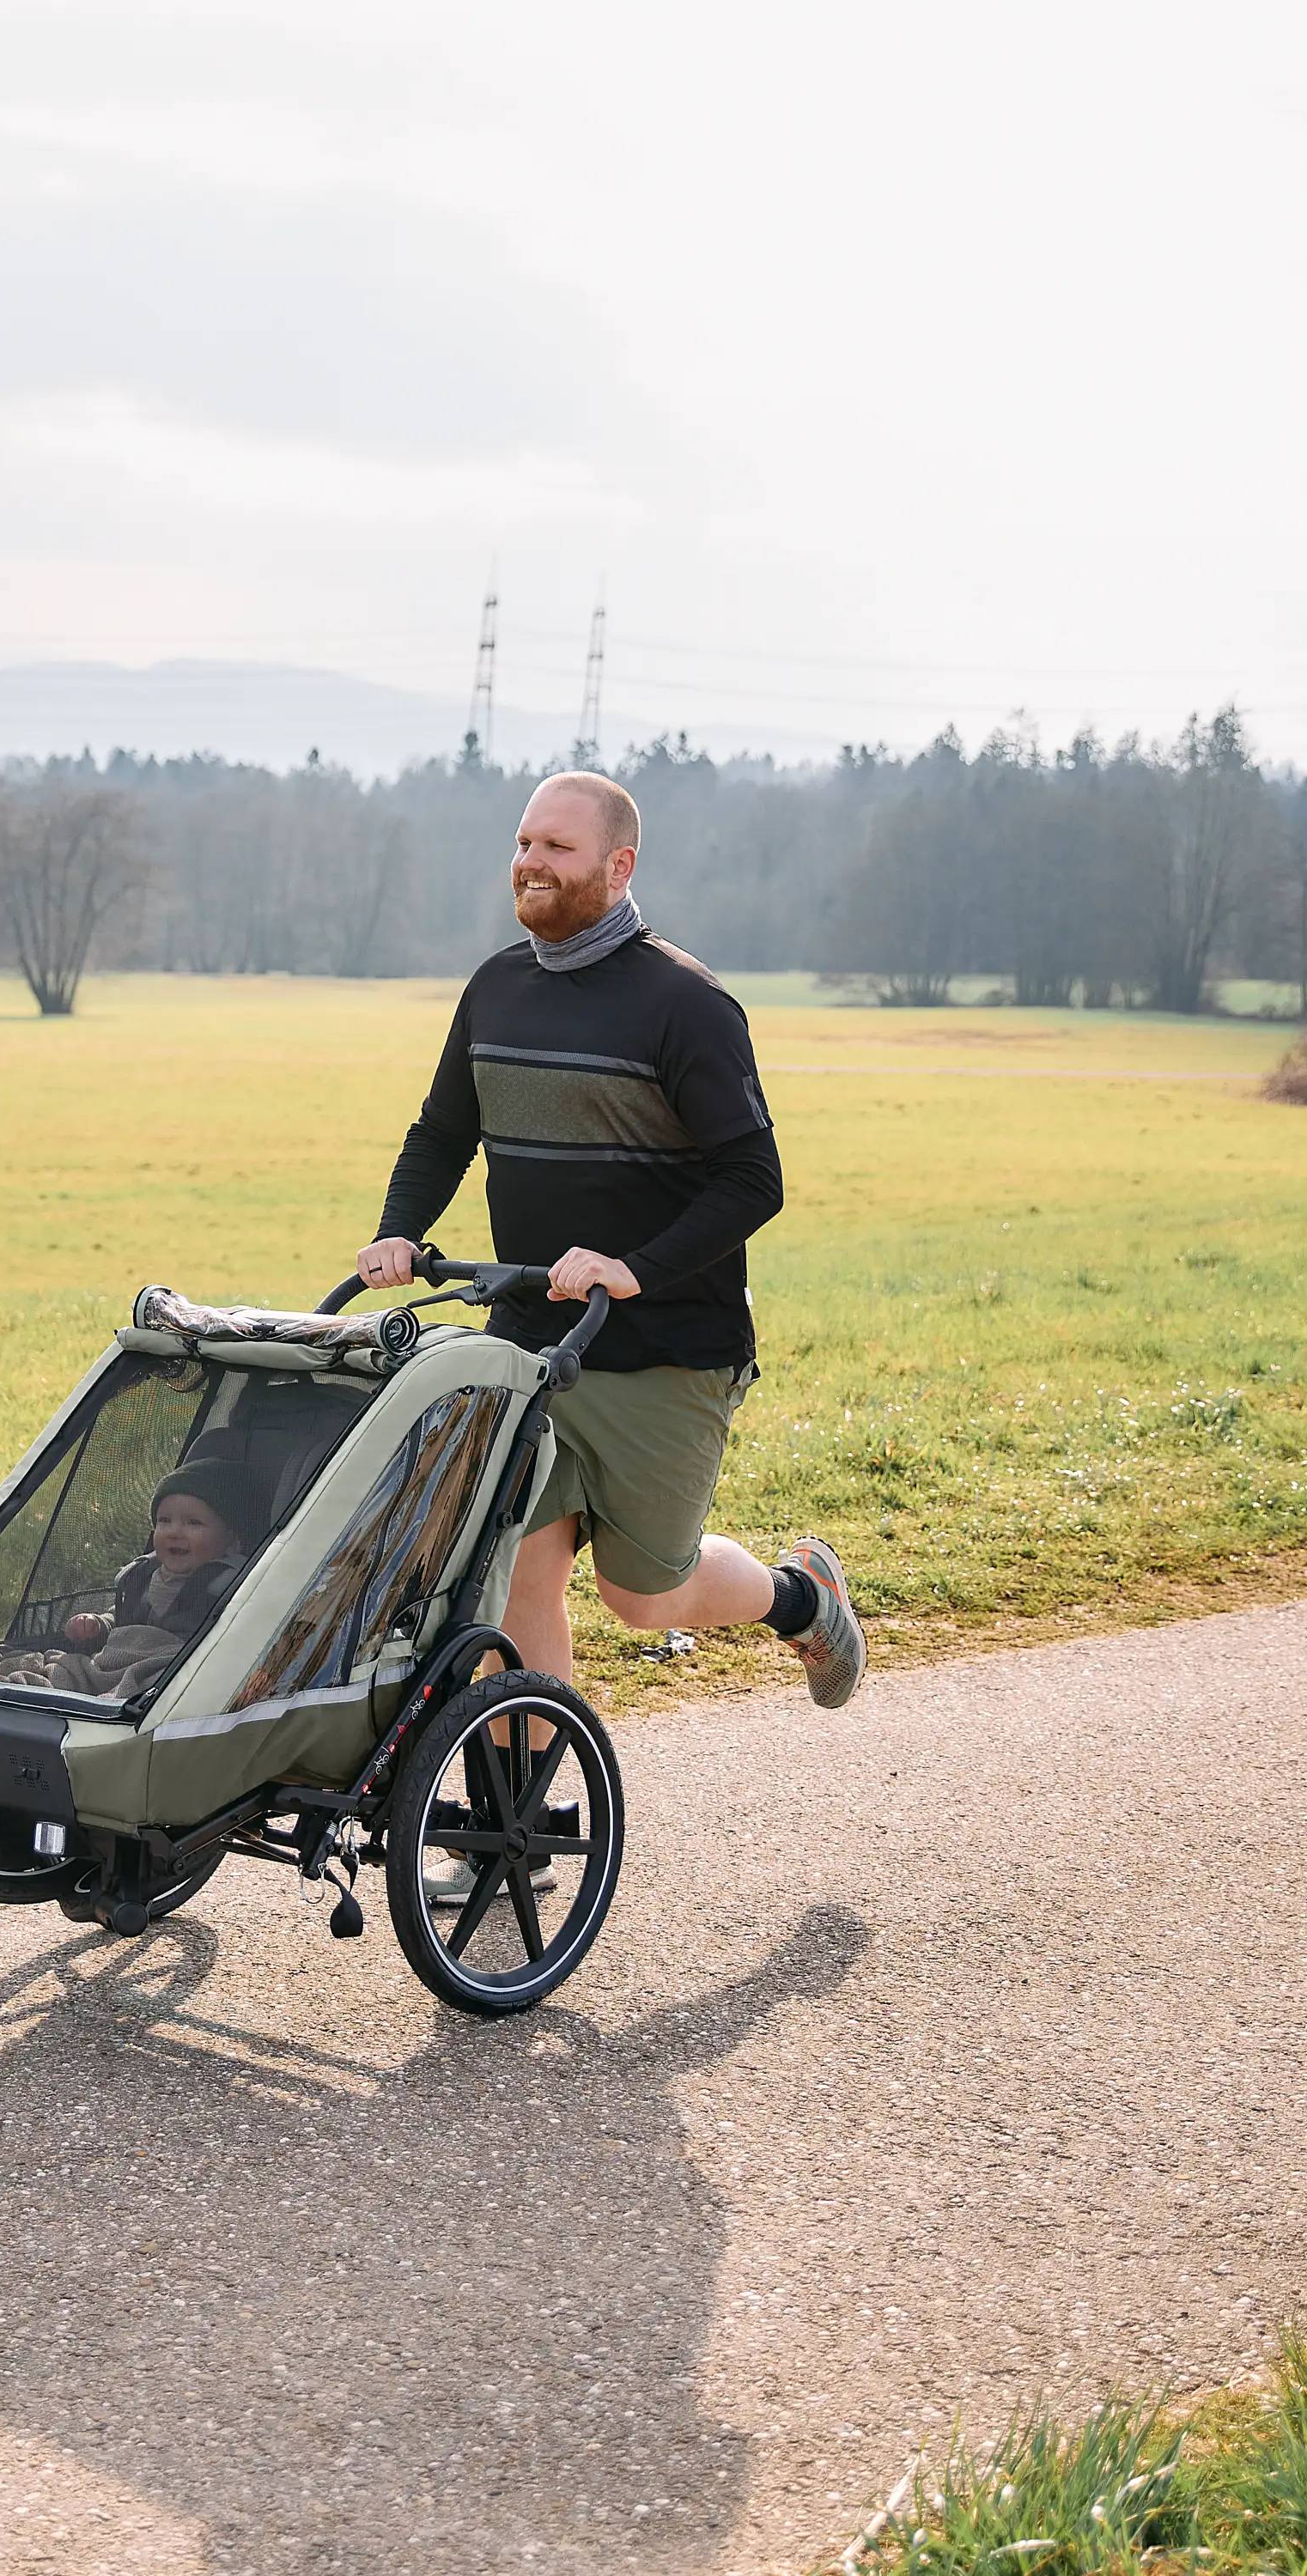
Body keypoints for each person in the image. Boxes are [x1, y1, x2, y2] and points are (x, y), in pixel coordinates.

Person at [355, 770, 865, 1826]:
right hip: (531, 1344)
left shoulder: (686, 1004)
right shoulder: (495, 987)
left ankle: (802, 1597)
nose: (532, 864)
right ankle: (519, 1820)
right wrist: (403, 1225)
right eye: (524, 842)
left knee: (644, 1600)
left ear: (619, 867)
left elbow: (752, 1181)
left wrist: (635, 1265)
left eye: (560, 850)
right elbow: (443, 1134)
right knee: (518, 1581)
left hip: (667, 1348)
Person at [0, 1457, 258, 1698]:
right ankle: (15, 1691)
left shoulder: (234, 1584)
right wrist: (98, 1625)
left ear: (233, 1541)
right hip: (112, 1660)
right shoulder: (145, 1574)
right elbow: (123, 1618)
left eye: (193, 1523)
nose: (174, 1532)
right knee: (66, 1670)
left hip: (167, 1669)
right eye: (164, 1521)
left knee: (151, 1687)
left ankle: (107, 1708)